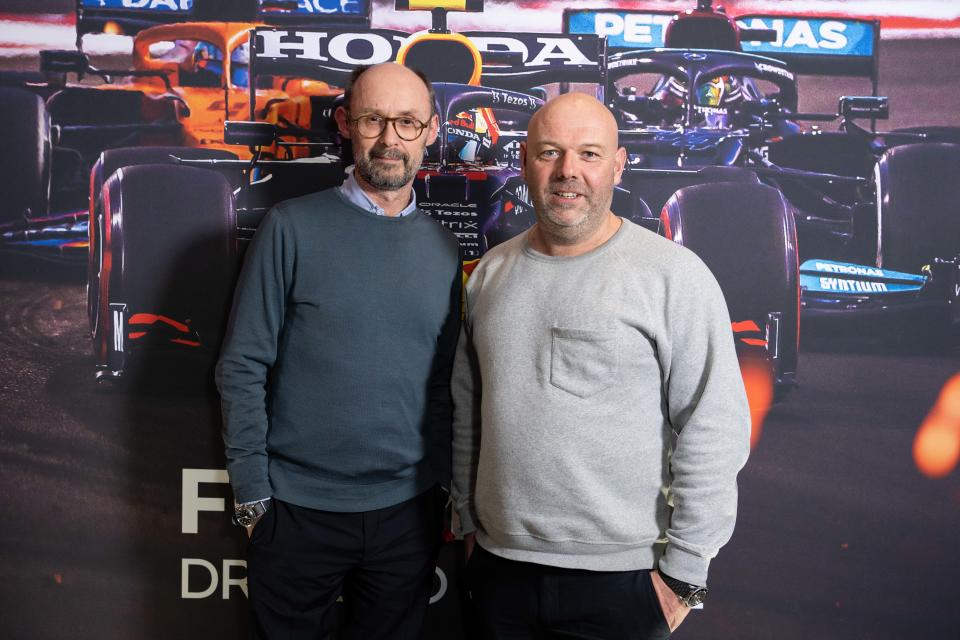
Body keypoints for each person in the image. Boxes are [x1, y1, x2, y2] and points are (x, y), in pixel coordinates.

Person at [451, 92, 750, 639]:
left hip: (625, 580)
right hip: (499, 572)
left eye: (589, 154)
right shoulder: (489, 274)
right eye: (549, 153)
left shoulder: (673, 276)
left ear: (618, 164)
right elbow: (468, 412)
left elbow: (715, 426)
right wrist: (470, 525)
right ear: (524, 162)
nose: (568, 171)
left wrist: (684, 575)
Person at [217, 62, 462, 640]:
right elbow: (243, 365)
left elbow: (447, 382)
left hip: (407, 514)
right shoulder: (290, 228)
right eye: (374, 119)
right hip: (298, 511)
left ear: (430, 132)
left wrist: (444, 487)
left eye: (407, 123)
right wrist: (253, 496)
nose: (390, 139)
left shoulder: (443, 248)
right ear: (346, 124)